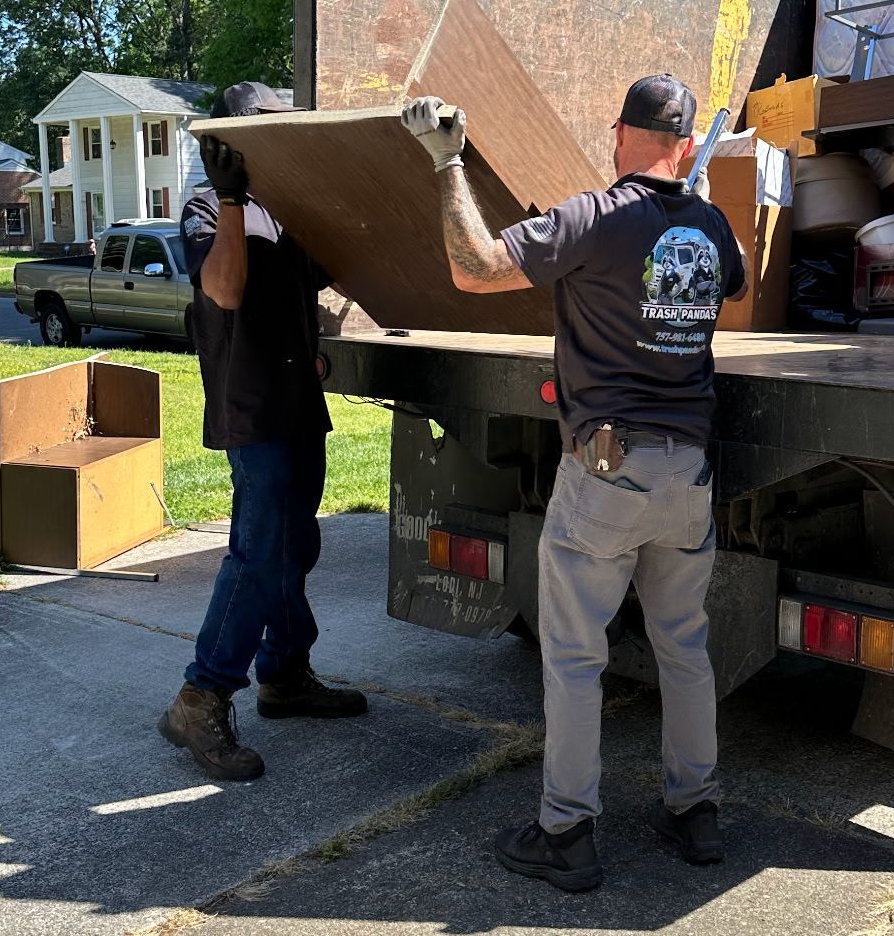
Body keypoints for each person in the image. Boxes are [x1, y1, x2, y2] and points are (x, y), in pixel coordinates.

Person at [403, 76, 745, 893]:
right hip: (688, 470)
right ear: (688, 146)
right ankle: (696, 813)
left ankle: (567, 832)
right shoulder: (710, 224)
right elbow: (731, 286)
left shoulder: (594, 217)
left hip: (607, 471)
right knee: (684, 649)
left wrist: (448, 162)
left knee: (573, 656)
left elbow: (476, 270)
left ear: (619, 134)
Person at [158, 80, 366, 780]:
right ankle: (201, 695)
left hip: (300, 406)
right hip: (253, 413)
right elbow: (224, 289)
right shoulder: (205, 211)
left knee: (295, 548)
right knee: (256, 558)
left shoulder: (293, 219)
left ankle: (284, 675)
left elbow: (344, 266)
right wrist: (232, 201)